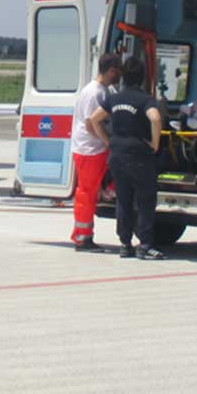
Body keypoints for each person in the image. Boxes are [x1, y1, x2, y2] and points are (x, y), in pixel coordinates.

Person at [88, 56, 166, 259]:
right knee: (145, 200)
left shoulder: (114, 98)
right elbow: (155, 118)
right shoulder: (145, 99)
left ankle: (125, 243)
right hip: (139, 156)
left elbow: (95, 119)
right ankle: (146, 244)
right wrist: (155, 144)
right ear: (142, 78)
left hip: (117, 156)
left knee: (123, 200)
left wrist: (108, 141)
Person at [69, 53, 122, 252]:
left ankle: (84, 234)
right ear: (111, 71)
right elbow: (92, 124)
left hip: (91, 148)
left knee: (91, 190)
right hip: (90, 149)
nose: (119, 74)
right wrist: (109, 142)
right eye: (118, 70)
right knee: (86, 193)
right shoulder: (95, 93)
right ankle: (83, 238)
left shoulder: (100, 90)